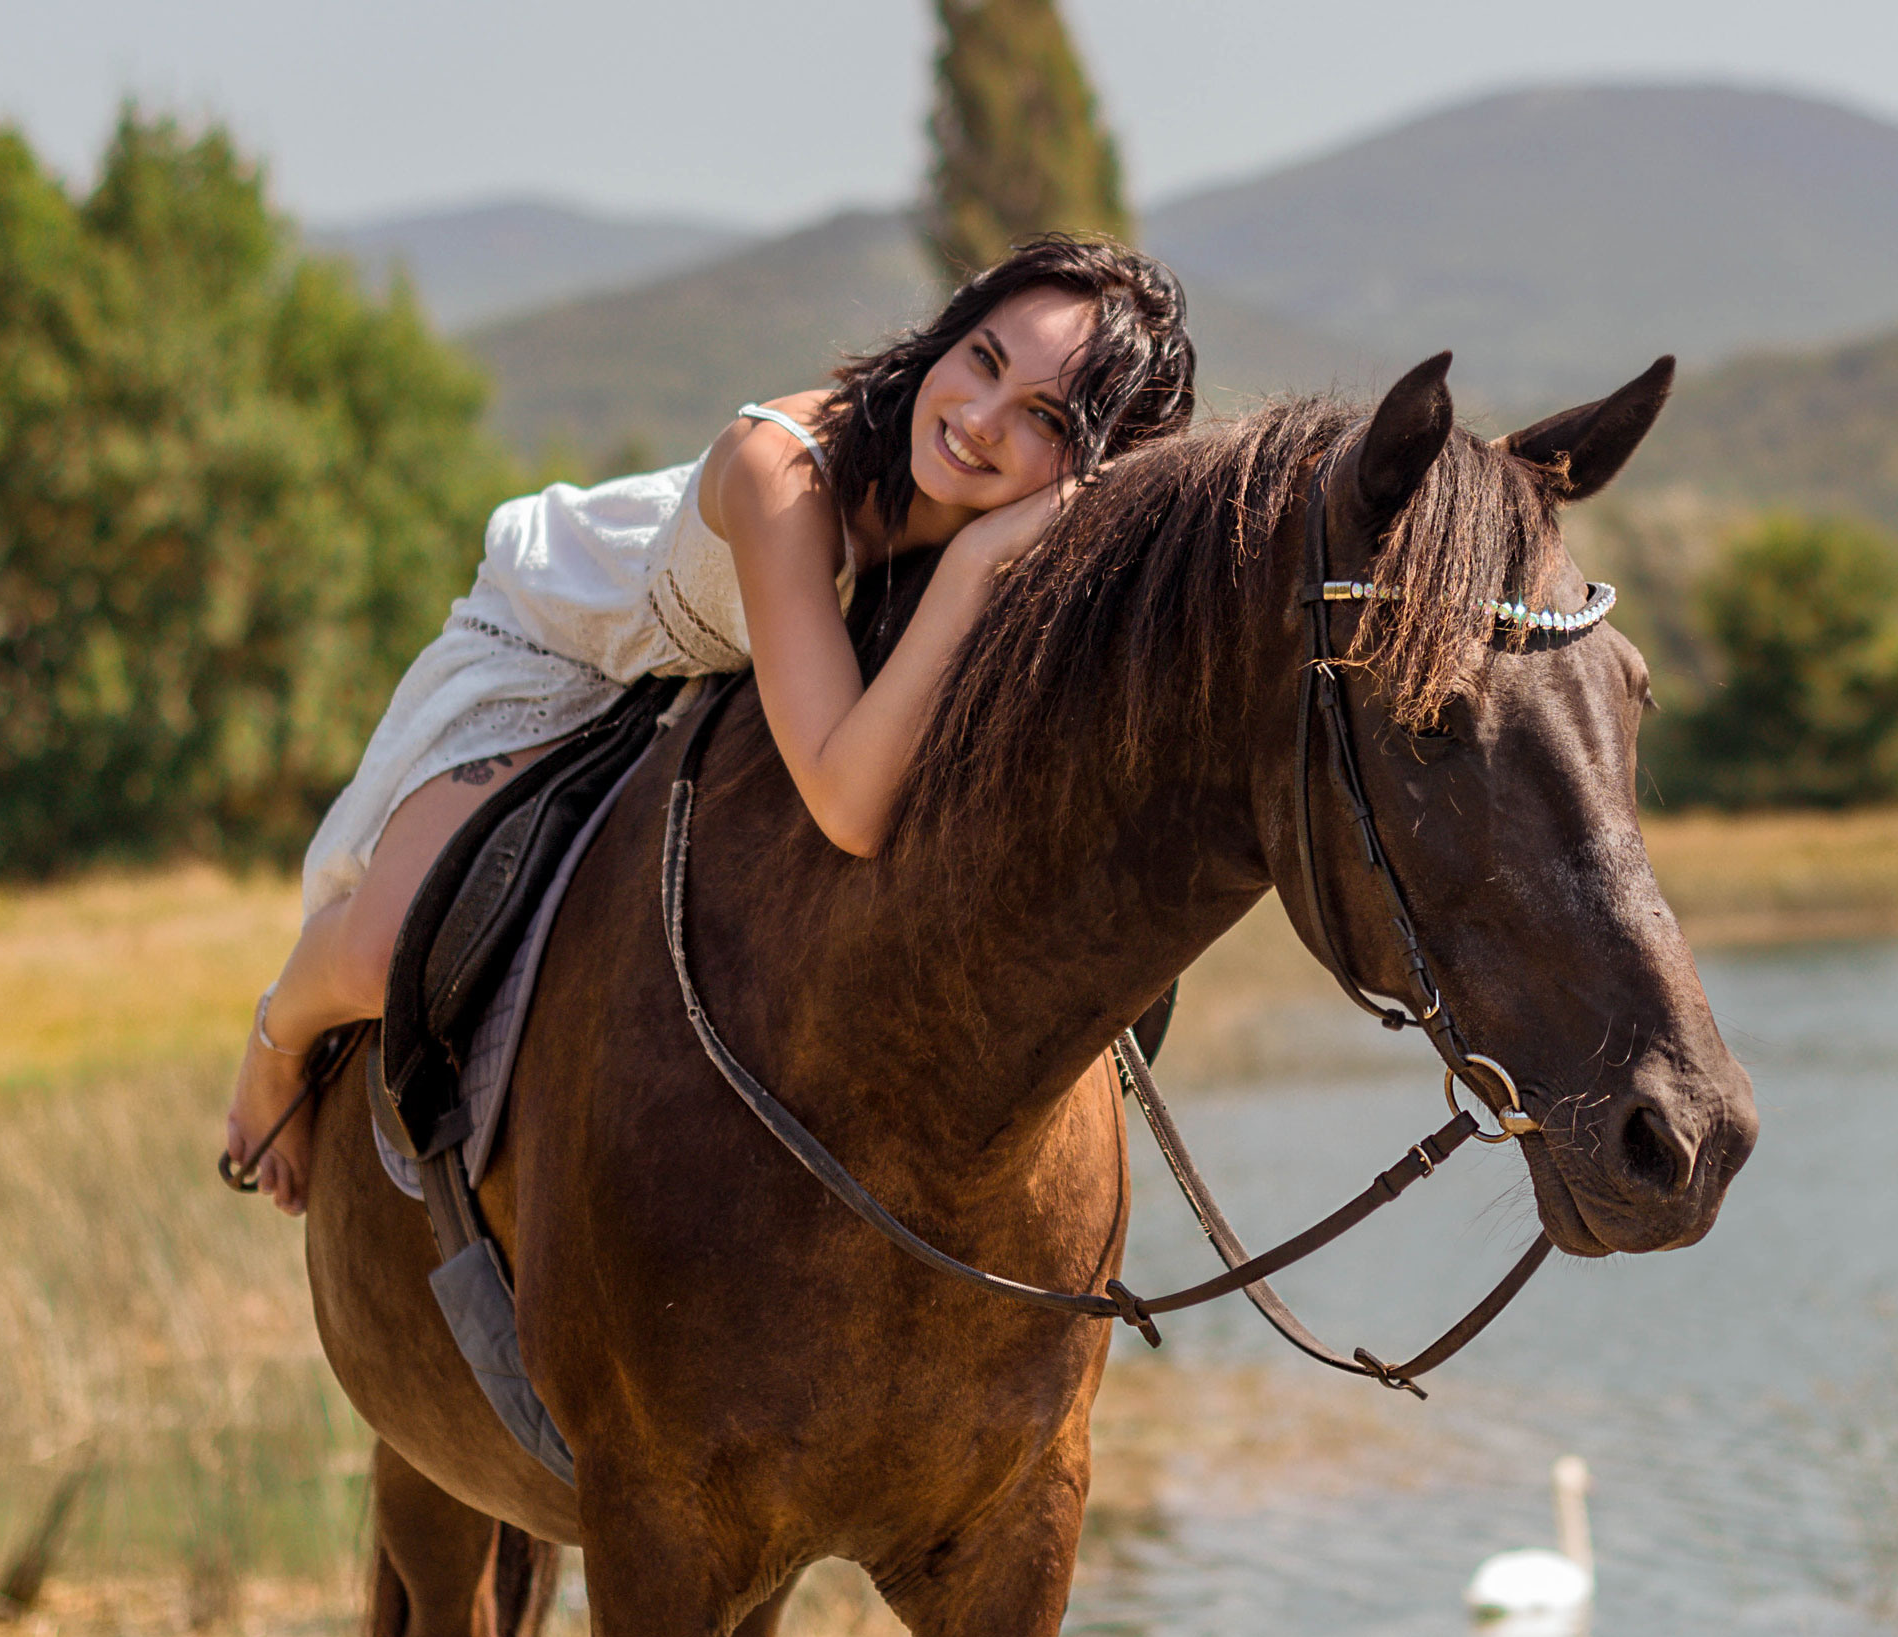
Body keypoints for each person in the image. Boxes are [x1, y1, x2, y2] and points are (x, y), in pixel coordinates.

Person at [222, 236, 1197, 1215]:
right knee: (392, 945)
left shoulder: (1026, 533)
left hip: (713, 687)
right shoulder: (784, 473)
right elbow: (849, 802)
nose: (979, 420)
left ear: (1094, 467)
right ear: (945, 340)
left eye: (1043, 416)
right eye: (982, 359)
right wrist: (980, 559)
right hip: (567, 648)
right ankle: (276, 1038)